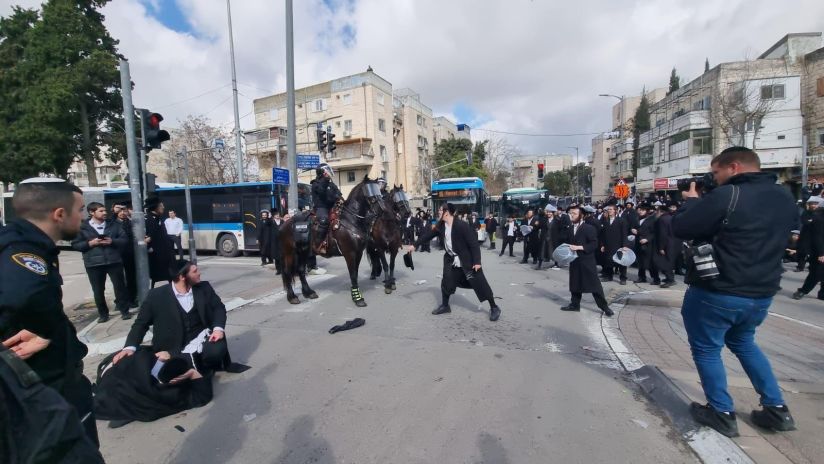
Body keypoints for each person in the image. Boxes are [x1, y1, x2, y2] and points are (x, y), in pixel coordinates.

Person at [672, 147, 797, 438]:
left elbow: (682, 227)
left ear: (735, 167)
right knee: (744, 343)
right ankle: (777, 409)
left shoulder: (727, 195)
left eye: (716, 172)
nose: (712, 179)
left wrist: (691, 202)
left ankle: (721, 411)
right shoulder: (784, 196)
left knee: (707, 348)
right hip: (761, 292)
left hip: (719, 290)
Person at [0, 178, 99, 446]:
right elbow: (21, 293)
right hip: (46, 388)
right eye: (79, 210)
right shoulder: (23, 251)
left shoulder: (21, 243)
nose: (82, 217)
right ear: (59, 214)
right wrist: (45, 331)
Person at [406, 203, 501, 321]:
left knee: (479, 283)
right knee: (446, 281)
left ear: (447, 212)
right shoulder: (441, 226)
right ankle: (445, 306)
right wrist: (414, 245)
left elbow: (473, 244)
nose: (438, 212)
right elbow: (428, 235)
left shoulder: (462, 226)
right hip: (451, 260)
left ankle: (494, 307)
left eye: (440, 210)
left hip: (467, 261)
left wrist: (477, 261)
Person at [71, 201, 132, 322]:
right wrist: (90, 243)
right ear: (91, 212)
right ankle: (103, 314)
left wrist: (112, 241)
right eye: (101, 211)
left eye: (105, 210)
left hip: (114, 261)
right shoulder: (82, 227)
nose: (104, 213)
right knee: (98, 290)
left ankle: (124, 311)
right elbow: (75, 245)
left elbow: (124, 239)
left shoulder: (113, 225)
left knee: (120, 287)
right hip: (94, 263)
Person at [559, 206, 614, 317]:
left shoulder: (589, 228)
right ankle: (575, 305)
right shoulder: (569, 228)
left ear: (581, 215)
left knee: (594, 285)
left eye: (574, 213)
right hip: (574, 260)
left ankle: (605, 307)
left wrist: (579, 247)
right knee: (575, 283)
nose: (572, 215)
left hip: (586, 260)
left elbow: (594, 244)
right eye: (570, 213)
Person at [792, 197, 824, 300]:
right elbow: (817, 237)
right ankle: (803, 291)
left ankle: (822, 294)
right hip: (818, 249)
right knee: (816, 273)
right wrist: (821, 253)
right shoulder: (818, 218)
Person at [311, 163, 343, 255]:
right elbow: (321, 192)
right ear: (323, 172)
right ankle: (319, 244)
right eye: (327, 171)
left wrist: (339, 199)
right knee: (324, 221)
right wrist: (325, 180)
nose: (329, 172)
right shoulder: (315, 183)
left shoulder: (331, 184)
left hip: (333, 206)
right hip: (321, 207)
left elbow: (338, 194)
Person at [145, 197, 175, 288]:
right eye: (161, 206)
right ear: (156, 207)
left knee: (171, 277)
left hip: (166, 255)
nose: (163, 207)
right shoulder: (148, 219)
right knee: (158, 277)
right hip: (157, 257)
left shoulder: (159, 219)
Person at [599, 205, 630, 285]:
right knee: (609, 261)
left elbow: (624, 234)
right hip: (608, 245)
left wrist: (625, 245)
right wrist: (602, 245)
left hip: (618, 245)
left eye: (611, 209)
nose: (609, 211)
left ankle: (623, 278)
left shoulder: (621, 221)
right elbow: (603, 234)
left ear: (615, 211)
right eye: (608, 209)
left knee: (621, 262)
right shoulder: (605, 221)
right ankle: (609, 276)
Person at [116, 202, 139, 307]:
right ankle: (120, 300)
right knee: (118, 280)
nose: (122, 213)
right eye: (119, 211)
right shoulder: (112, 223)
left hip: (130, 254)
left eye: (124, 210)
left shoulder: (130, 223)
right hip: (117, 254)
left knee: (131, 278)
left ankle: (132, 299)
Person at [654, 202, 681, 288]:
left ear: (660, 212)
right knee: (669, 261)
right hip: (674, 243)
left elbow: (663, 234)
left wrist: (661, 247)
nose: (656, 214)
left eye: (657, 212)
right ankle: (669, 278)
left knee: (666, 262)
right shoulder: (671, 218)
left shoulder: (662, 219)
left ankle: (670, 279)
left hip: (667, 244)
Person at [634, 203, 659, 284]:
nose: (641, 212)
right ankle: (641, 277)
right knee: (640, 261)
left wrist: (647, 239)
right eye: (640, 210)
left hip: (648, 244)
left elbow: (655, 232)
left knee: (650, 262)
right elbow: (636, 228)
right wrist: (633, 230)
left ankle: (656, 279)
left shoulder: (652, 219)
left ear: (647, 211)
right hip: (638, 242)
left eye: (643, 210)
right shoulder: (637, 218)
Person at [794, 197, 818, 272]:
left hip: (816, 235)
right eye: (812, 204)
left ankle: (812, 266)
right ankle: (800, 266)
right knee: (803, 251)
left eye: (815, 204)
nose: (814, 206)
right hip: (806, 235)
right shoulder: (806, 212)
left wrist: (812, 221)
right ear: (809, 205)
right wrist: (812, 221)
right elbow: (804, 221)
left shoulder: (819, 213)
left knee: (815, 252)